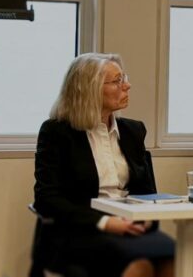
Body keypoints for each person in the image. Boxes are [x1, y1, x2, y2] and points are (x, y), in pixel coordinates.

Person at [34, 53, 174, 277]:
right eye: (117, 81)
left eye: (124, 78)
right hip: (81, 229)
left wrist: (146, 218)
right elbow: (47, 199)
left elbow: (148, 194)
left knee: (174, 257)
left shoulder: (133, 131)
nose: (127, 85)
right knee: (142, 266)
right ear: (88, 89)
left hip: (131, 226)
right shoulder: (57, 132)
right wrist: (106, 223)